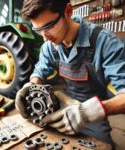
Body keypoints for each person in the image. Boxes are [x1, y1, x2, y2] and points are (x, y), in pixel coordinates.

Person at [15, 0, 125, 149]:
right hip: (61, 106)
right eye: (38, 30)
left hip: (93, 112)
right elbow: (40, 70)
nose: (45, 38)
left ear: (68, 11)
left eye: (49, 26)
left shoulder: (106, 43)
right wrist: (32, 86)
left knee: (103, 146)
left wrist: (87, 112)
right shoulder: (49, 47)